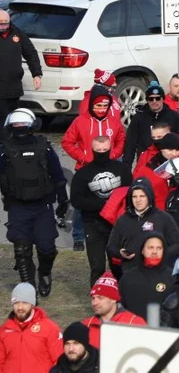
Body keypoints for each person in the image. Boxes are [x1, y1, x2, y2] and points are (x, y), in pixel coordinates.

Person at [0, 108, 67, 297]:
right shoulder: (4, 150)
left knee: (47, 248)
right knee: (22, 250)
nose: (20, 127)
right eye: (17, 125)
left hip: (42, 206)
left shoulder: (44, 146)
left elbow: (57, 175)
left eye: (23, 124)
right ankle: (28, 289)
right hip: (18, 206)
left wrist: (63, 199)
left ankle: (44, 273)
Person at [70, 135, 131, 282]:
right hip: (93, 224)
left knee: (118, 264)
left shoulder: (122, 169)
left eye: (105, 149)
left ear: (110, 149)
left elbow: (130, 194)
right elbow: (76, 200)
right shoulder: (83, 174)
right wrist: (103, 205)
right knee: (97, 266)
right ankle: (97, 298)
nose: (102, 152)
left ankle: (123, 297)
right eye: (98, 150)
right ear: (92, 150)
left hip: (117, 224)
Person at [0, 282, 63, 372]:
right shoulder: (4, 330)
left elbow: (60, 362)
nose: (20, 307)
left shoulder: (49, 328)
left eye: (25, 302)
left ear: (32, 304)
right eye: (16, 303)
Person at [0, 11, 42, 126]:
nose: (3, 26)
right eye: (0, 24)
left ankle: (11, 141)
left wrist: (36, 74)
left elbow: (31, 54)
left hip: (13, 87)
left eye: (5, 23)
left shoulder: (17, 33)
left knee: (12, 118)